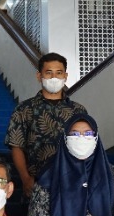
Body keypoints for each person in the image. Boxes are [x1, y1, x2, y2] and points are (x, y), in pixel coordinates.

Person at [6, 53, 88, 193]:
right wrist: (25, 179)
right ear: (39, 76)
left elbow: (87, 143)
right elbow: (16, 145)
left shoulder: (78, 110)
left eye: (59, 73)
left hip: (72, 182)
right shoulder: (24, 109)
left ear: (65, 76)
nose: (54, 77)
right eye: (49, 73)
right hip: (37, 183)